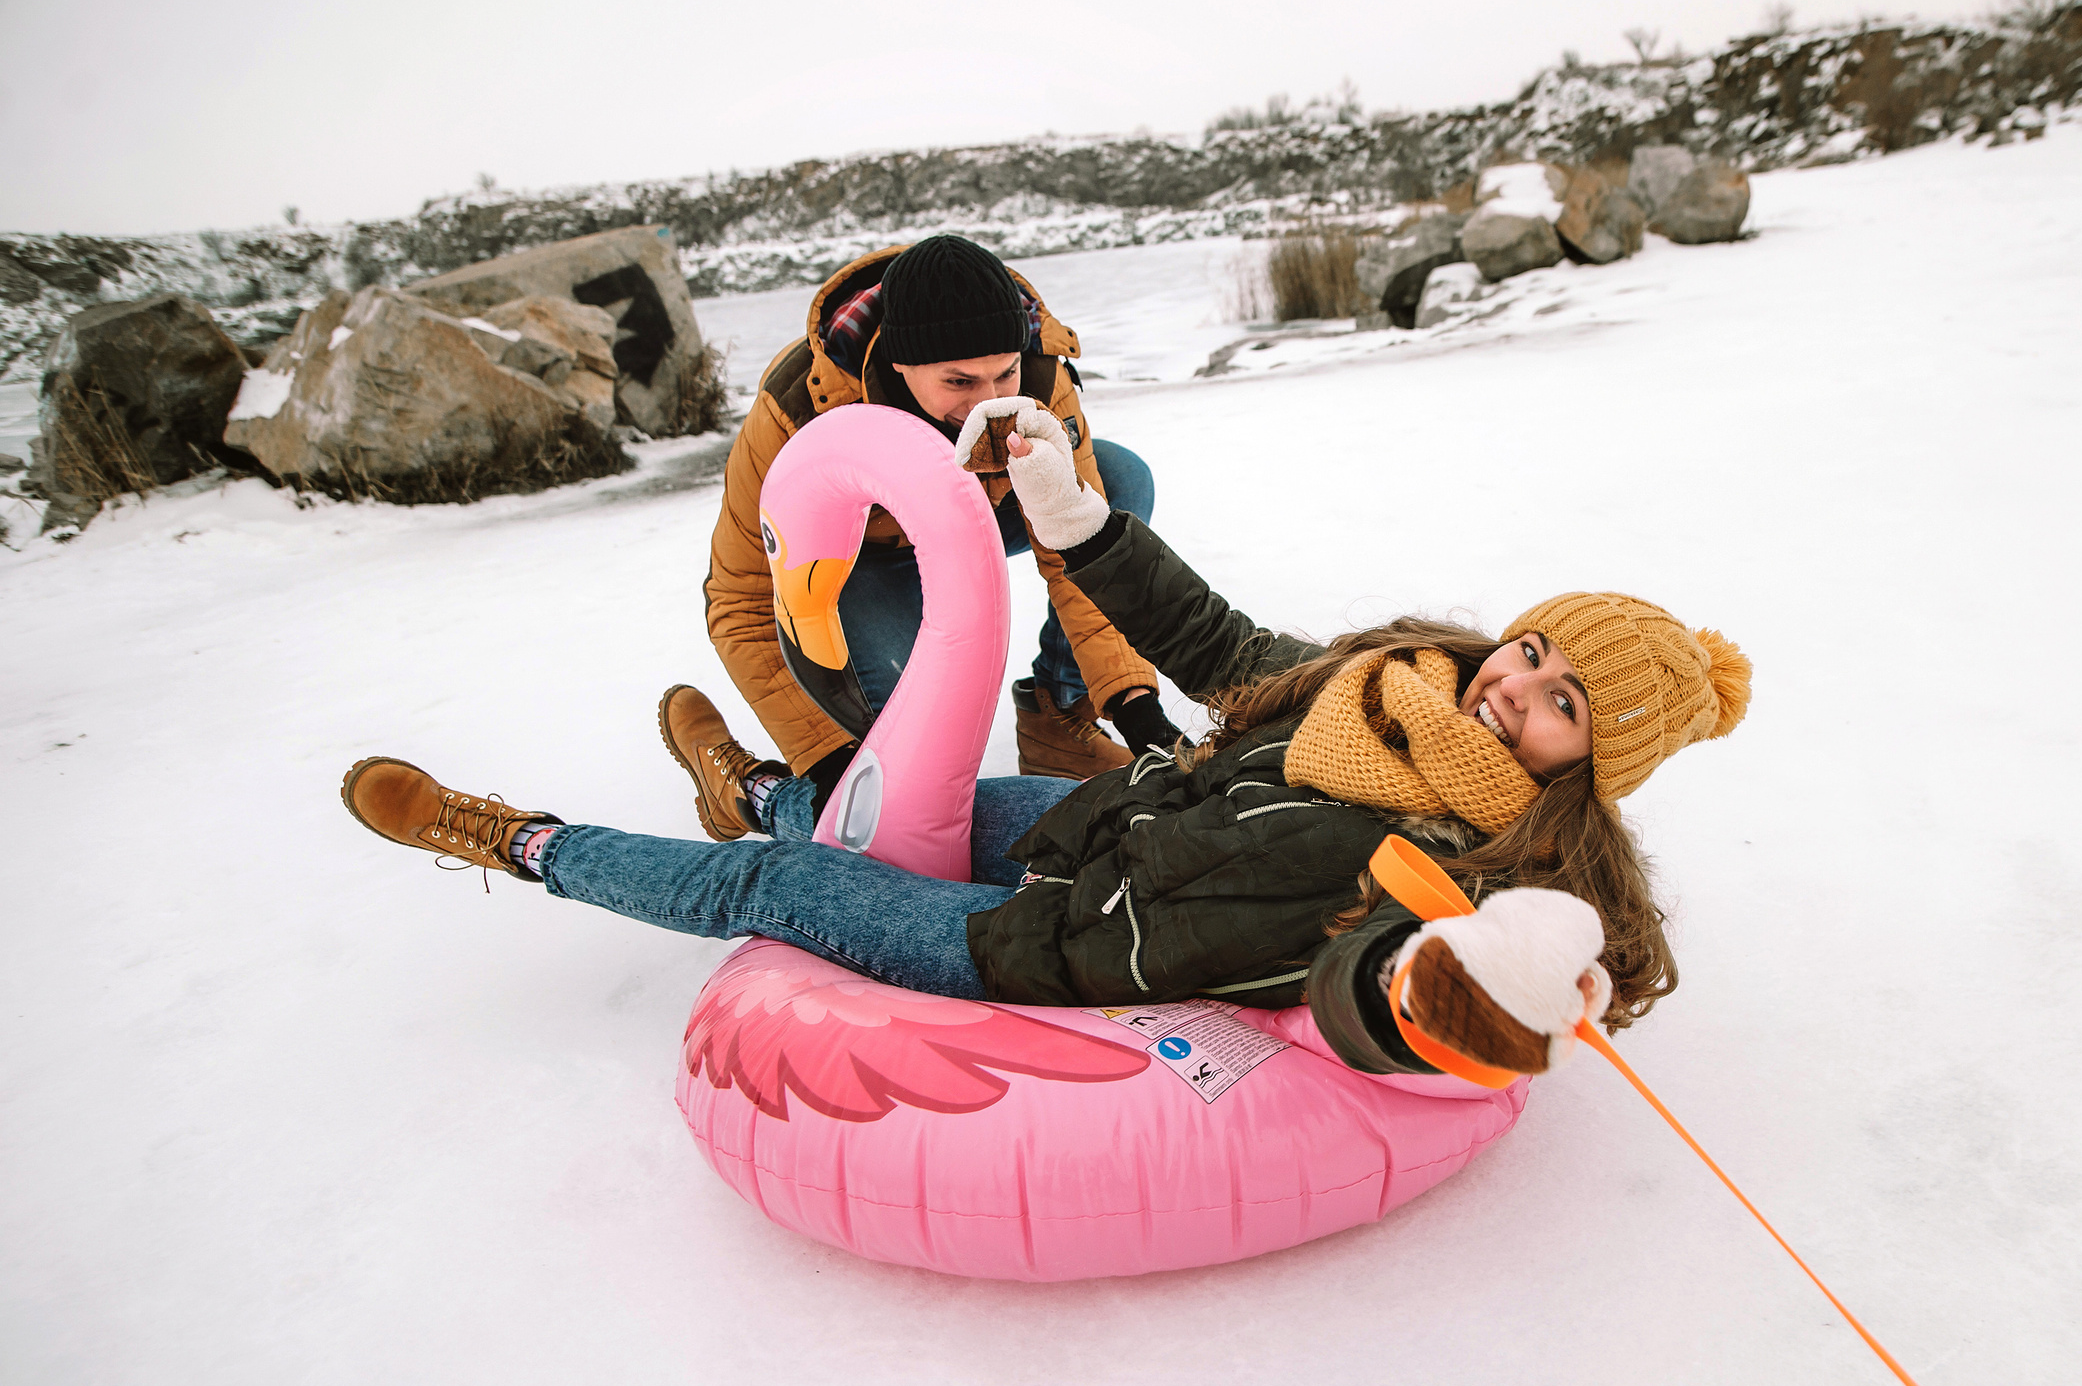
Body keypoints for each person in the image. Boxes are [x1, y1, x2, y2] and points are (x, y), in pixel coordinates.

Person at [347, 408, 1752, 1077]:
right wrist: (1077, 522)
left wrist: (1437, 992)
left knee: (776, 895)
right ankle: (760, 788)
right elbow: (1208, 638)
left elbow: (1356, 985)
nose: (1519, 688)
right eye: (1535, 651)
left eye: (1563, 703)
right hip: (1095, 828)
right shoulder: (1380, 682)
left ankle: (514, 840)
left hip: (1042, 952)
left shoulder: (1468, 868)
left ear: (1590, 764)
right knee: (873, 794)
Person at [707, 233, 1178, 797]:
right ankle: (746, 791)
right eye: (958, 381)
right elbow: (742, 598)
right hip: (862, 558)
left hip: (978, 513)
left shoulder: (1040, 378)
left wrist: (1134, 703)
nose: (988, 401)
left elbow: (1078, 548)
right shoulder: (798, 410)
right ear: (901, 364)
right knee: (907, 757)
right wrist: (825, 754)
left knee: (1119, 483)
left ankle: (1059, 714)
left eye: (1004, 373)